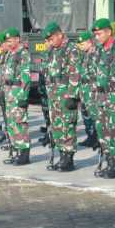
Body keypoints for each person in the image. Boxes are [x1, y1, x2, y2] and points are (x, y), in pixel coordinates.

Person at [92, 18, 115, 178]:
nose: (97, 37)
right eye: (95, 34)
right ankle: (108, 160)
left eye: (99, 34)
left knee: (114, 131)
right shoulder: (99, 50)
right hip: (101, 96)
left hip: (114, 97)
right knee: (103, 130)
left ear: (108, 32)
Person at [42, 22, 81, 171]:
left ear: (59, 35)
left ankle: (68, 158)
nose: (49, 42)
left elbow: (75, 73)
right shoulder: (52, 50)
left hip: (65, 94)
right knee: (57, 126)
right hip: (53, 94)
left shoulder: (71, 50)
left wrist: (72, 95)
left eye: (51, 39)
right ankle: (62, 154)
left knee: (67, 126)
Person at [0, 27, 31, 165]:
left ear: (17, 39)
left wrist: (24, 96)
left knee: (19, 124)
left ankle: (24, 154)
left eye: (10, 40)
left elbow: (26, 77)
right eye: (6, 41)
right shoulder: (9, 54)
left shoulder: (23, 53)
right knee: (11, 124)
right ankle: (16, 151)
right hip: (9, 93)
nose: (8, 43)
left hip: (18, 93)